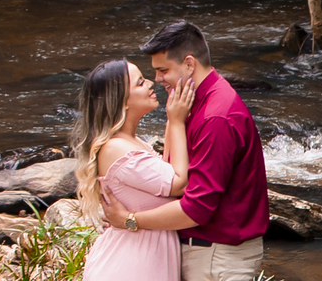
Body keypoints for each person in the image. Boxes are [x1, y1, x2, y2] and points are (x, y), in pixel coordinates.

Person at [101, 21, 270, 281]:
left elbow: (197, 208)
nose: (157, 79)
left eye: (163, 70)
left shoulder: (216, 118)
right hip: (205, 251)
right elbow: (171, 175)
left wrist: (129, 220)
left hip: (217, 256)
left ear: (189, 64)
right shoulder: (189, 102)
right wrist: (173, 120)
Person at [72, 58, 196, 281]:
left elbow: (166, 170)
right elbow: (179, 183)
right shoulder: (117, 149)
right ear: (122, 101)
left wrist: (172, 120)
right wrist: (177, 121)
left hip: (141, 260)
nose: (150, 83)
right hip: (128, 266)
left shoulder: (132, 142)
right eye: (140, 83)